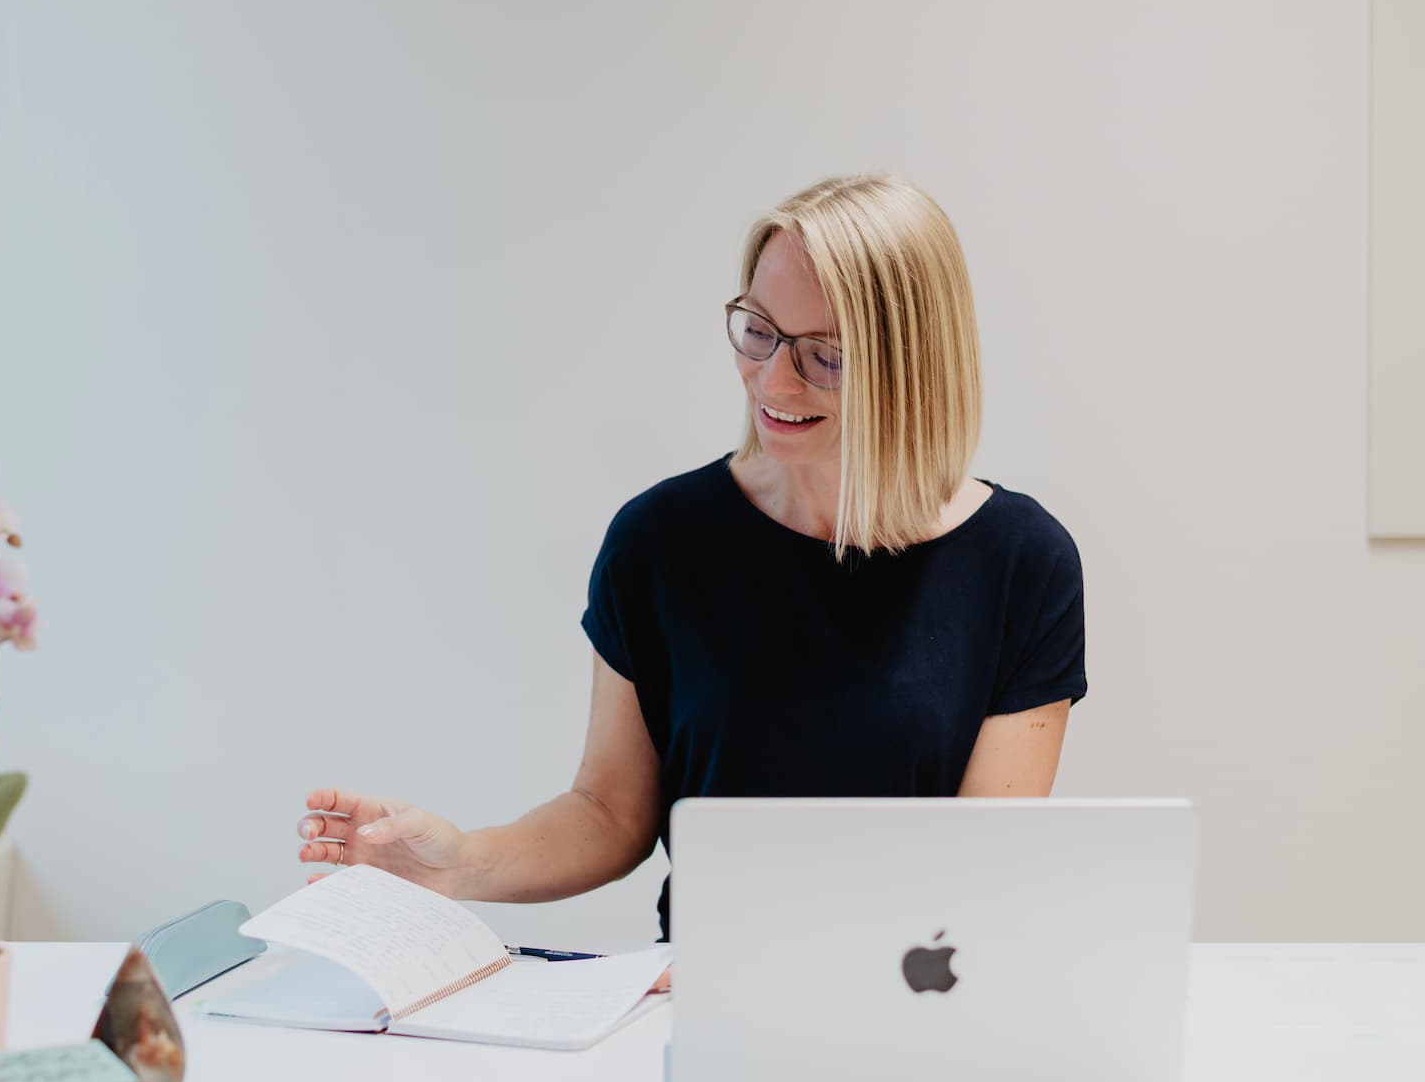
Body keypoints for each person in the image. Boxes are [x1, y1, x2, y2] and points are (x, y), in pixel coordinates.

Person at [294, 173, 1086, 958]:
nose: (773, 380)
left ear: (912, 364)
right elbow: (610, 813)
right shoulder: (659, 541)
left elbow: (985, 868)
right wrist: (457, 864)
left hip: (909, 1011)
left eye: (827, 357)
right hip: (700, 1003)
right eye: (759, 330)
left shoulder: (1022, 563)